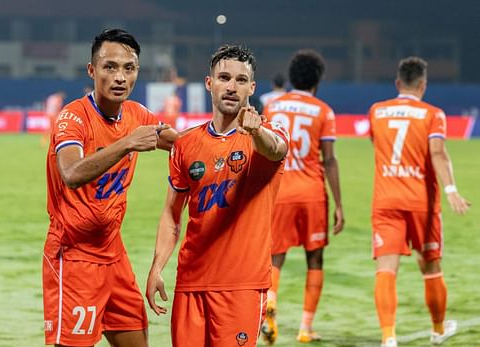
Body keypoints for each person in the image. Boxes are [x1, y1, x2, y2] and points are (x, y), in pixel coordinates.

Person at [145, 44, 289, 347]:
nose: (231, 87)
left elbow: (276, 148)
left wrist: (257, 132)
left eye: (240, 80)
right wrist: (157, 267)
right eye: (224, 78)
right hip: (190, 283)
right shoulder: (186, 145)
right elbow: (172, 215)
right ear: (210, 83)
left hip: (242, 286)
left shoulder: (266, 134)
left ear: (252, 87)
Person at [42, 28, 177, 347]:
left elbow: (183, 144)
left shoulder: (137, 114)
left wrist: (231, 139)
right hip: (74, 255)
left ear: (137, 73)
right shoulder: (73, 117)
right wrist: (127, 143)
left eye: (128, 68)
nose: (120, 77)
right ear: (92, 70)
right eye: (110, 67)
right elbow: (72, 172)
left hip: (114, 255)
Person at [368, 56, 470, 347]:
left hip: (386, 200)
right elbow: (437, 153)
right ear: (423, 84)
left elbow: (377, 144)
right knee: (431, 268)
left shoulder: (377, 111)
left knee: (386, 269)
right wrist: (450, 189)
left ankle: (389, 337)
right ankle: (438, 330)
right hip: (421, 204)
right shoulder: (433, 114)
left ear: (397, 83)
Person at [260, 49, 345, 345]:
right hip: (311, 194)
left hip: (280, 190)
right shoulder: (323, 110)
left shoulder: (273, 107)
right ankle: (306, 328)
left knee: (276, 257)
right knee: (315, 258)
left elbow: (264, 150)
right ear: (317, 80)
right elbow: (330, 160)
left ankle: (269, 303)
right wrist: (339, 205)